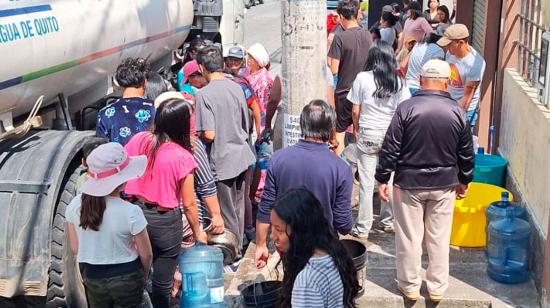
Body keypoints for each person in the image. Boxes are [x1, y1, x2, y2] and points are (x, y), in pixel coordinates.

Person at [375, 59, 474, 302]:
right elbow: (466, 153)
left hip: (409, 183)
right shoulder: (457, 111)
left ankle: (409, 285)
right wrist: (464, 179)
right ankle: (437, 287)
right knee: (439, 237)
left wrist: (382, 178)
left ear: (420, 80)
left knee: (409, 237)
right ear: (447, 83)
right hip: (444, 184)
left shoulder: (406, 108)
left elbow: (391, 147)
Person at [124, 98, 205, 308]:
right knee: (162, 283)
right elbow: (189, 204)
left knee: (134, 275)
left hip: (134, 213)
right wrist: (198, 232)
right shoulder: (182, 156)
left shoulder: (139, 140)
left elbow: (122, 168)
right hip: (165, 223)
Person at [255, 100, 353, 268]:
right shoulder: (341, 169)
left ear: (302, 125)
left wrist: (260, 245)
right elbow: (343, 224)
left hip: (289, 246)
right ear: (330, 129)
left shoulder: (278, 159)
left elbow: (266, 207)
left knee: (292, 288)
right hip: (323, 249)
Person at [66, 142, 153, 308]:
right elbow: (147, 255)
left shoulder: (74, 205)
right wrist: (144, 274)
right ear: (122, 181)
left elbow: (75, 248)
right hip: (128, 276)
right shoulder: (131, 211)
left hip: (92, 276)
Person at [194, 45, 256, 255]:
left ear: (202, 68)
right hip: (242, 155)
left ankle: (233, 252)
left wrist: (198, 135)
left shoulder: (204, 94)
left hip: (222, 161)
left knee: (227, 210)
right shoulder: (236, 87)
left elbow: (209, 134)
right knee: (238, 205)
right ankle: (238, 247)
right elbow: (246, 122)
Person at [348, 41, 411, 238]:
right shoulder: (399, 81)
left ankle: (363, 227)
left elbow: (355, 110)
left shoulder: (362, 78)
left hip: (368, 134)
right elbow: (405, 110)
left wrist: (357, 130)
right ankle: (387, 221)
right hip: (392, 136)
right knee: (390, 179)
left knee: (367, 183)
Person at [270, 188, 360, 308]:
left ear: (300, 232)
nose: (272, 236)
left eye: (279, 229)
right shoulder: (332, 254)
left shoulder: (307, 282)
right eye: (272, 227)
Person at [328, 0, 373, 155]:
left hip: (344, 92)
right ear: (356, 14)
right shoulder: (368, 35)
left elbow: (333, 69)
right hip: (364, 91)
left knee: (339, 132)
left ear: (341, 16)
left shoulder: (340, 38)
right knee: (358, 129)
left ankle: (341, 168)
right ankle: (358, 167)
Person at [96, 58, 155, 146]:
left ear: (120, 83)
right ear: (145, 82)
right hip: (150, 159)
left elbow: (102, 150)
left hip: (119, 159)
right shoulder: (155, 107)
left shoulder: (104, 114)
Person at [437, 24, 486, 127]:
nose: (446, 47)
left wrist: (449, 114)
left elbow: (466, 101)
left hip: (464, 112)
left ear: (461, 43)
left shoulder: (475, 64)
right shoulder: (451, 53)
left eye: (449, 44)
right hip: (447, 104)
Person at [246, 42, 273, 129]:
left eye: (251, 58)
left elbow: (262, 107)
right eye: (248, 56)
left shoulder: (264, 80)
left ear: (258, 62)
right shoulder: (248, 72)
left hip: (258, 123)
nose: (248, 59)